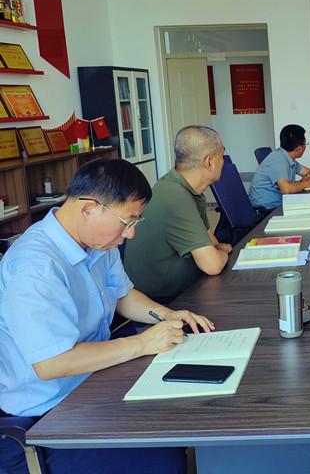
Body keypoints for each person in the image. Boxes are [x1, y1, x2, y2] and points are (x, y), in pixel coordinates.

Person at [0, 158, 214, 474]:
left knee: (182, 410)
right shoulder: (35, 267)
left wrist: (167, 314)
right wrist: (143, 343)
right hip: (45, 418)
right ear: (89, 209)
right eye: (127, 221)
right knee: (162, 455)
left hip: (93, 382)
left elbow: (122, 295)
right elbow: (52, 364)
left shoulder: (98, 242)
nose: (130, 234)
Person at [124, 125, 232, 304]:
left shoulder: (186, 188)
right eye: (222, 154)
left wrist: (218, 250)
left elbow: (212, 242)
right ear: (209, 162)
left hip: (186, 289)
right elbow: (213, 265)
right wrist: (223, 252)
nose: (224, 161)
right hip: (165, 301)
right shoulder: (175, 196)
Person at [248, 124, 310, 211]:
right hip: (267, 210)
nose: (305, 147)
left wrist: (303, 180)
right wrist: (308, 183)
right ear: (299, 149)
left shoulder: (287, 157)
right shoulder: (278, 160)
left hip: (280, 204)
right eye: (305, 144)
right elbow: (286, 189)